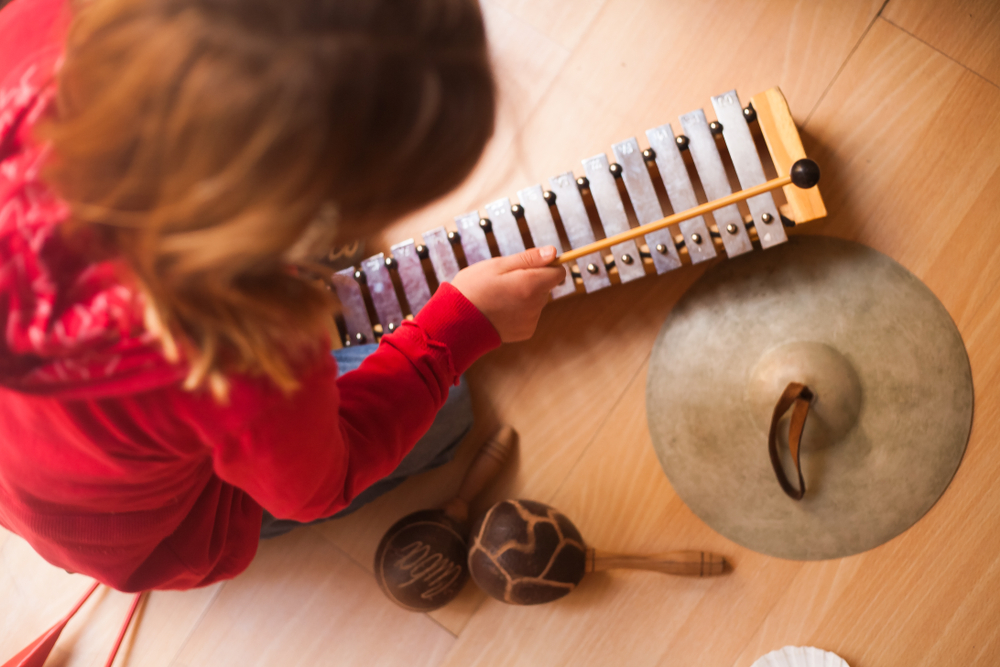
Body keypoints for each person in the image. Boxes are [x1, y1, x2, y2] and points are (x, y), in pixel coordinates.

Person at [0, 0, 566, 592]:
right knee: (449, 410)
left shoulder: (44, 23)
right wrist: (454, 334)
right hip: (148, 535)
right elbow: (323, 484)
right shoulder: (235, 358)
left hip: (39, 465)